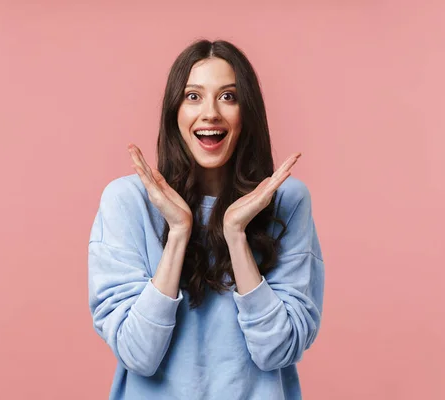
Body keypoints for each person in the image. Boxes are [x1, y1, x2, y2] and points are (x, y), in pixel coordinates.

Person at [88, 39, 325, 400]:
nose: (210, 113)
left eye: (228, 97)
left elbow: (278, 350)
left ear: (247, 113)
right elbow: (138, 354)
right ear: (175, 113)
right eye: (193, 96)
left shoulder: (287, 202)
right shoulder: (127, 202)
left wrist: (236, 234)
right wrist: (180, 233)